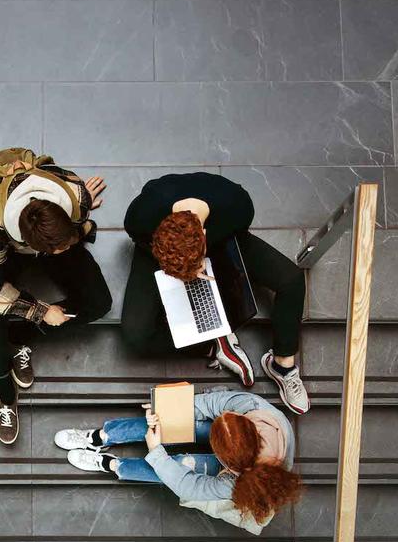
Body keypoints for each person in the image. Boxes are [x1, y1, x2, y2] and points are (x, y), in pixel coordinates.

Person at [121, 172, 310, 415]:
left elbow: (239, 233)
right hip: (160, 255)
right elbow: (140, 239)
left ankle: (282, 365)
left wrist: (207, 262)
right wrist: (174, 267)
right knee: (135, 335)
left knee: (292, 280)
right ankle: (213, 343)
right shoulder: (142, 216)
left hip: (224, 241)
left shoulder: (236, 205)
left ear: (205, 235)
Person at [0, 148, 112, 445]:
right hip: (11, 248)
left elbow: (74, 222)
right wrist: (41, 310)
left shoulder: (74, 196)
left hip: (54, 234)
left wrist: (82, 212)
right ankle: (6, 395)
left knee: (100, 302)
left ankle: (20, 336)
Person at [53, 390, 302, 533]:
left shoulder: (237, 484)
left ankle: (113, 464)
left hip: (242, 473)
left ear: (230, 466)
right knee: (170, 422)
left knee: (179, 467)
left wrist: (156, 451)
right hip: (240, 451)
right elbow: (214, 403)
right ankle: (102, 436)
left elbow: (187, 485)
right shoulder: (253, 407)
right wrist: (169, 410)